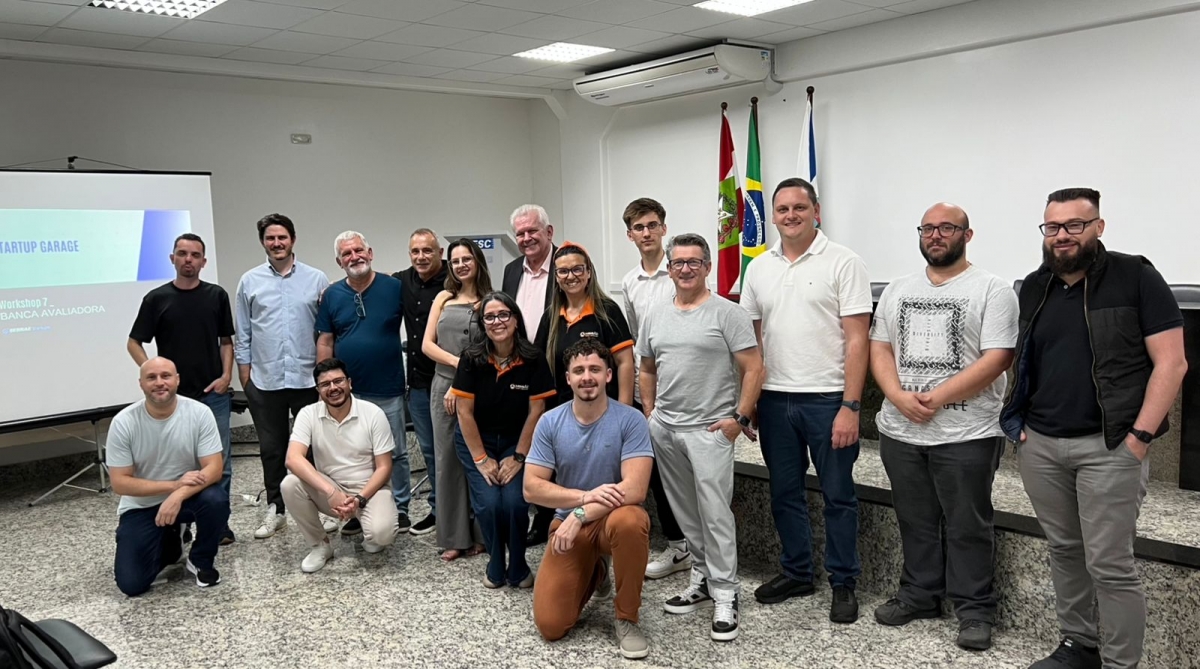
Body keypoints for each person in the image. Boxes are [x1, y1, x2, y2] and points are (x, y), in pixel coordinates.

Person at [1000, 188, 1186, 669]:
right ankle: (1078, 646)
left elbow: (1172, 364)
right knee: (1065, 550)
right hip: (1041, 446)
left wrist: (1139, 439)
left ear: (1098, 227)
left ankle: (1121, 664)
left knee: (1110, 564)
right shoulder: (1035, 285)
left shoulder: (1136, 277)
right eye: (1053, 226)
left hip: (1110, 447)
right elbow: (1025, 361)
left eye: (1074, 225)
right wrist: (1019, 425)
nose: (1062, 235)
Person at [869, 203, 1018, 652]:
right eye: (928, 228)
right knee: (915, 520)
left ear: (967, 236)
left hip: (967, 432)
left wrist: (936, 398)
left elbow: (998, 357)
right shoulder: (897, 289)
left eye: (947, 228)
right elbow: (880, 348)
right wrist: (896, 396)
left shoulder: (993, 289)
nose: (936, 235)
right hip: (901, 431)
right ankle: (919, 595)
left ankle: (974, 610)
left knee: (967, 524)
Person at [740, 177, 873, 624]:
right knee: (784, 493)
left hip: (828, 399)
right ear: (773, 216)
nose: (790, 215)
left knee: (838, 495)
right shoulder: (759, 267)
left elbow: (858, 341)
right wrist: (752, 401)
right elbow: (753, 342)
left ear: (816, 211)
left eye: (800, 207)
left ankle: (843, 581)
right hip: (776, 400)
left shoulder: (844, 261)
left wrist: (850, 407)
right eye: (782, 209)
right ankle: (797, 572)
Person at [637, 233, 763, 642]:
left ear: (708, 267)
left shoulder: (727, 313)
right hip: (666, 429)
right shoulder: (655, 314)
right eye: (679, 262)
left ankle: (726, 592)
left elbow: (754, 367)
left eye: (694, 262)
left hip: (710, 431)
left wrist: (738, 419)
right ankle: (704, 580)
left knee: (715, 514)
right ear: (669, 268)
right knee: (686, 513)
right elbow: (647, 367)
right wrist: (651, 413)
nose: (686, 269)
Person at [525, 338, 654, 660]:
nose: (587, 377)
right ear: (567, 378)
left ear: (608, 375)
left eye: (595, 369)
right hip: (569, 526)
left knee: (632, 520)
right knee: (551, 626)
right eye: (579, 370)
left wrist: (580, 513)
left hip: (611, 520)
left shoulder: (631, 420)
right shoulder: (550, 422)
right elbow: (531, 488)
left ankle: (627, 618)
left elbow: (635, 489)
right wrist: (583, 498)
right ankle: (596, 571)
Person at [127, 232, 237, 545]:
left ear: (203, 261)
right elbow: (134, 342)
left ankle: (218, 524)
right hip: (172, 400)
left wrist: (226, 376)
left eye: (195, 255)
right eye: (182, 253)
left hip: (212, 395)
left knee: (220, 463)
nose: (188, 259)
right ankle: (182, 521)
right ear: (172, 258)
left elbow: (226, 342)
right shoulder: (156, 299)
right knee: (179, 464)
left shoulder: (216, 295)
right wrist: (155, 374)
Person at [529, 242, 635, 546]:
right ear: (556, 277)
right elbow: (539, 364)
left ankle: (602, 528)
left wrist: (623, 414)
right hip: (562, 410)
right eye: (563, 271)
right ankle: (550, 519)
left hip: (603, 409)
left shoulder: (606, 311)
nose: (571, 276)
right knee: (558, 469)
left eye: (577, 269)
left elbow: (625, 363)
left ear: (589, 273)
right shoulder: (552, 316)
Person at [235, 213, 329, 541]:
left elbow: (326, 329)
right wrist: (245, 374)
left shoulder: (317, 279)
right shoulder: (249, 281)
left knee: (314, 449)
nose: (277, 243)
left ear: (293, 239)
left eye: (282, 237)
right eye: (270, 238)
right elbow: (243, 331)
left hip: (307, 380)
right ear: (263, 242)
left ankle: (321, 506)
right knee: (272, 450)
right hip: (265, 380)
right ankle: (276, 509)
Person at [451, 292, 555, 588]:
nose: (497, 322)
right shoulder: (471, 359)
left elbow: (537, 411)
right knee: (488, 504)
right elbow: (464, 412)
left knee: (514, 502)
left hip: (518, 440)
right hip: (476, 441)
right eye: (489, 317)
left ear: (515, 319)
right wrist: (482, 459)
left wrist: (519, 457)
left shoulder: (533, 358)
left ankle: (518, 564)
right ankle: (496, 561)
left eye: (503, 315)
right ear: (482, 324)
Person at [108, 357, 230, 595]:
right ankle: (172, 543)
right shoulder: (124, 422)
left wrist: (178, 495)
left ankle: (200, 559)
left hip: (188, 497)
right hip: (142, 506)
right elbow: (120, 482)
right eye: (151, 378)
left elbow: (214, 469)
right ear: (141, 384)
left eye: (166, 376)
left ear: (177, 380)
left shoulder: (199, 413)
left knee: (216, 499)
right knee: (132, 584)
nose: (159, 382)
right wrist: (173, 486)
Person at [316, 230, 412, 534]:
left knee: (395, 452)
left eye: (359, 250)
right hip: (347, 393)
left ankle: (400, 507)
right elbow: (325, 340)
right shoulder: (332, 295)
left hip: (388, 386)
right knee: (353, 455)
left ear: (370, 254)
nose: (354, 257)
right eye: (346, 253)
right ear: (339, 262)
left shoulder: (394, 287)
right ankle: (358, 509)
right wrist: (324, 385)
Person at [619, 197, 691, 580]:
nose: (646, 233)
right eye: (638, 228)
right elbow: (636, 339)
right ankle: (679, 547)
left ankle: (701, 546)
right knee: (659, 475)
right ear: (630, 235)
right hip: (646, 393)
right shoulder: (630, 282)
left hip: (684, 389)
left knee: (690, 472)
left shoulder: (681, 271)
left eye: (652, 225)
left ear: (663, 228)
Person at [280, 358, 398, 572]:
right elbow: (293, 458)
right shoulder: (308, 414)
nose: (333, 388)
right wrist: (331, 491)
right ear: (318, 390)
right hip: (331, 490)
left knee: (382, 535)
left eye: (338, 381)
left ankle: (370, 531)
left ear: (349, 383)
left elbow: (384, 467)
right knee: (290, 483)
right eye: (325, 384)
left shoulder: (373, 413)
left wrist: (359, 499)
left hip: (370, 490)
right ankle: (320, 545)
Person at [423, 238, 490, 561]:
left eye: (467, 258)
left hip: (478, 388)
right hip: (443, 386)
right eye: (456, 260)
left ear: (477, 261)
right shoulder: (444, 297)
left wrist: (463, 379)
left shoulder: (489, 301)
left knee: (478, 458)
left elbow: (493, 347)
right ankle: (453, 536)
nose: (461, 265)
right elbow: (427, 344)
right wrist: (456, 367)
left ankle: (481, 534)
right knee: (447, 460)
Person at [393, 228, 448, 536]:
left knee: (455, 450)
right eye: (415, 251)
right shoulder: (402, 280)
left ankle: (463, 512)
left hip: (449, 381)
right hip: (418, 382)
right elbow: (369, 281)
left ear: (440, 252)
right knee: (429, 450)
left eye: (428, 250)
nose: (421, 256)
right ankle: (439, 509)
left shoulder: (455, 279)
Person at [502, 204, 557, 341]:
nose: (526, 238)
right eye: (520, 234)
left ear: (549, 232)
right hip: (519, 352)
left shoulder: (568, 266)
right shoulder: (511, 270)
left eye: (532, 231)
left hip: (557, 352)